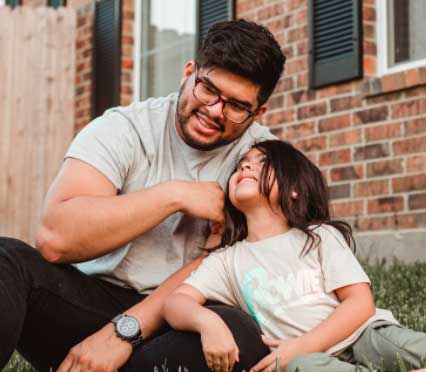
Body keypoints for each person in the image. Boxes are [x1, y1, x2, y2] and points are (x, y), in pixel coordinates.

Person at [0, 20, 286, 372]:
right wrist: (173, 195)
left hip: (185, 319)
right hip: (90, 307)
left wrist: (125, 334)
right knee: (5, 259)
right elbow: (55, 238)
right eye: (208, 89)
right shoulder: (124, 128)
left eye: (236, 106)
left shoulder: (263, 161)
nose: (214, 110)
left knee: (237, 333)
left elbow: (251, 260)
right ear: (188, 72)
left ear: (258, 113)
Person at [163, 139, 426, 372]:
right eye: (241, 164)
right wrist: (207, 322)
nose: (245, 167)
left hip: (361, 334)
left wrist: (302, 345)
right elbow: (175, 303)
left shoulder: (319, 236)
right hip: (309, 360)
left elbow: (359, 303)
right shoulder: (226, 260)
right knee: (298, 367)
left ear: (293, 189)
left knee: (403, 346)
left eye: (262, 162)